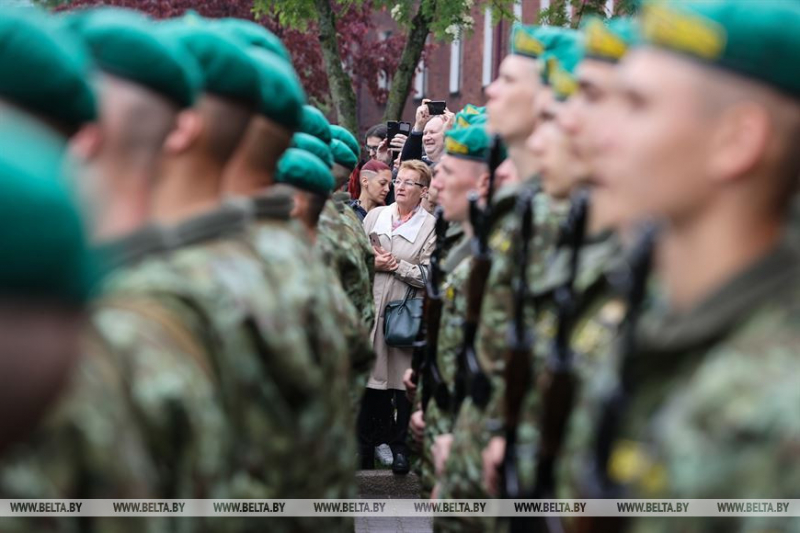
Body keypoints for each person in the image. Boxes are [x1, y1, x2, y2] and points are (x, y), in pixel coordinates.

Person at [564, 4, 800, 533]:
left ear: (736, 140)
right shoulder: (660, 327)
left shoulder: (782, 408)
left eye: (637, 105)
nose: (593, 133)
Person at [406, 124, 493, 498]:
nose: (436, 184)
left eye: (448, 173)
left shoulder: (494, 257)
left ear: (484, 184)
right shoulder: (457, 241)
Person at [360, 159, 436, 473]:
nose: (400, 186)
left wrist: (397, 266)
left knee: (401, 385)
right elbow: (357, 255)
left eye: (409, 182)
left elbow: (431, 274)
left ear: (424, 191)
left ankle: (401, 447)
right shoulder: (377, 215)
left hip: (404, 314)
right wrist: (373, 263)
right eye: (398, 180)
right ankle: (367, 448)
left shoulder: (430, 225)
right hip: (371, 309)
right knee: (371, 383)